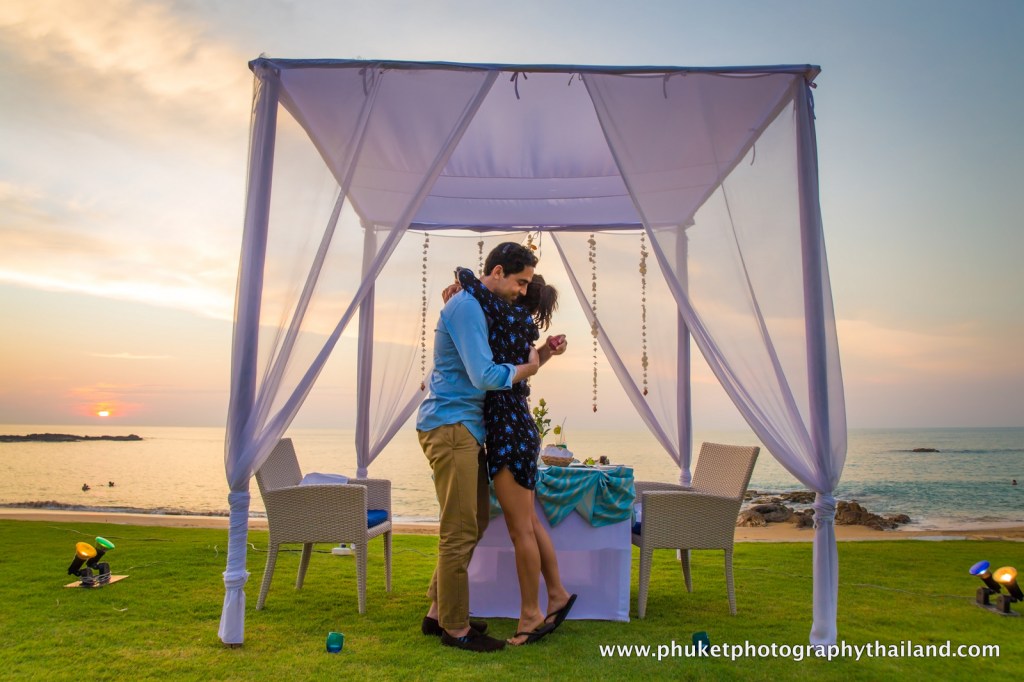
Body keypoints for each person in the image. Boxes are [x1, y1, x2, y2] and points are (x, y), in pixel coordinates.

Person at [416, 242, 547, 653]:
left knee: (471, 524)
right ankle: (455, 629)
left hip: (465, 427)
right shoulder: (468, 307)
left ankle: (438, 612)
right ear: (497, 272)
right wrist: (529, 368)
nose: (523, 291)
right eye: (520, 282)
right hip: (451, 425)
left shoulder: (473, 302)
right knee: (457, 531)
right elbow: (484, 373)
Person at [455, 265, 576, 646]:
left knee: (520, 529)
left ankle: (531, 615)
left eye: (520, 286)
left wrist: (461, 285)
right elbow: (530, 365)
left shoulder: (506, 320)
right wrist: (545, 353)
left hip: (509, 432)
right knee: (530, 524)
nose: (513, 291)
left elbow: (518, 366)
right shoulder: (519, 325)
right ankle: (555, 594)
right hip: (517, 429)